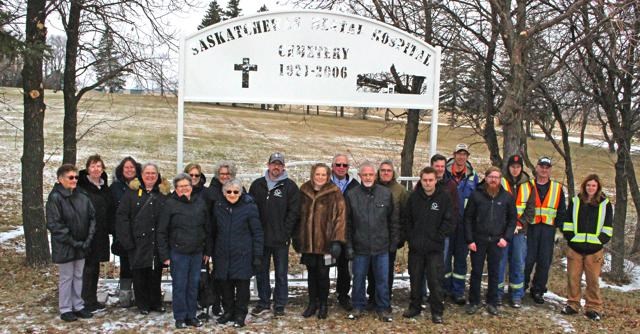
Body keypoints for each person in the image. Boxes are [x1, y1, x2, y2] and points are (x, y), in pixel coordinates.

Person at [345, 162, 399, 322]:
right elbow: (347, 223)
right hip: (360, 246)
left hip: (381, 246)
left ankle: (383, 308)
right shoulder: (352, 195)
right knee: (359, 278)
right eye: (365, 174)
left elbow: (393, 220)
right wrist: (348, 245)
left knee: (382, 279)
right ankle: (357, 306)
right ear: (360, 176)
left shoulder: (385, 194)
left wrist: (394, 241)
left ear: (375, 176)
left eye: (371, 174)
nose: (368, 177)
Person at [158, 173, 213, 329]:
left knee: (193, 285)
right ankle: (180, 316)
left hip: (197, 253)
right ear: (176, 188)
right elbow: (162, 231)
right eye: (181, 186)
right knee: (180, 286)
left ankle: (191, 315)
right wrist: (165, 255)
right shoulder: (170, 204)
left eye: (187, 186)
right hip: (178, 253)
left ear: (191, 186)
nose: (184, 189)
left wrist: (207, 250)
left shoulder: (200, 203)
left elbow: (207, 228)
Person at [249, 152, 300, 317]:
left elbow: (294, 213)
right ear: (268, 165)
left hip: (280, 239)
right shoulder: (257, 185)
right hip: (261, 238)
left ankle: (280, 304)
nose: (276, 167)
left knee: (281, 273)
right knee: (261, 271)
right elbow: (251, 210)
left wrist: (285, 233)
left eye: (279, 164)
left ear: (283, 166)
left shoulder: (290, 187)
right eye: (273, 163)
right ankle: (264, 301)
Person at [116, 163, 170, 315]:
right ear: (141, 174)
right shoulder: (131, 193)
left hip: (156, 241)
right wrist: (127, 241)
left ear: (158, 175)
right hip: (137, 242)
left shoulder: (162, 194)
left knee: (155, 273)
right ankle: (143, 303)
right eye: (147, 173)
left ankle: (156, 302)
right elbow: (122, 217)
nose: (150, 176)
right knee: (139, 274)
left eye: (153, 173)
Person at [294, 163, 346, 319]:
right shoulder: (304, 190)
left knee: (323, 274)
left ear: (328, 176)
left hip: (326, 242)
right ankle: (312, 303)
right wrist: (296, 237)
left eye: (324, 174)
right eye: (318, 174)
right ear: (312, 175)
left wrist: (337, 240)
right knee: (311, 273)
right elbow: (297, 216)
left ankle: (323, 304)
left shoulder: (334, 192)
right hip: (308, 241)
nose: (320, 177)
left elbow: (340, 218)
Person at [401, 167, 453, 324]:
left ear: (436, 180)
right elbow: (407, 220)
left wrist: (438, 237)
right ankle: (415, 307)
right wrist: (412, 238)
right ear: (421, 180)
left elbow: (449, 220)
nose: (428, 183)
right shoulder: (413, 197)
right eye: (425, 180)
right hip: (416, 248)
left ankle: (437, 311)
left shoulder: (444, 198)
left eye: (431, 180)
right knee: (415, 279)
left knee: (435, 281)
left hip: (434, 249)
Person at [46, 164, 96, 322]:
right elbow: (55, 224)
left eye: (76, 177)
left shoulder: (82, 195)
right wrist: (73, 241)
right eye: (70, 177)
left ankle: (78, 305)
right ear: (61, 179)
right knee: (66, 277)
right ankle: (65, 308)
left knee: (78, 276)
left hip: (82, 244)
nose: (74, 180)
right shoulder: (55, 198)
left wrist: (87, 239)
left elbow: (92, 217)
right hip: (65, 245)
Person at [464, 167, 516, 316]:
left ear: (500, 180)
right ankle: (474, 301)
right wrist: (469, 239)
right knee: (476, 272)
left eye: (497, 177)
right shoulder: (476, 195)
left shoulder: (506, 197)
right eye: (491, 177)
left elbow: (512, 220)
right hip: (478, 240)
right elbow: (467, 218)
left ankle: (492, 302)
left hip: (497, 241)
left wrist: (506, 238)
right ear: (486, 178)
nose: (493, 180)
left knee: (494, 272)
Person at [212, 179, 264, 328]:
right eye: (229, 192)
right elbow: (213, 231)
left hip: (243, 254)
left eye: (236, 192)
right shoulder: (218, 206)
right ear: (224, 193)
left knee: (242, 289)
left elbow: (257, 232)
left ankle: (240, 314)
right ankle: (228, 311)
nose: (232, 194)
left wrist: (257, 255)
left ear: (241, 193)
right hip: (223, 254)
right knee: (225, 287)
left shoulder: (249, 207)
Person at [561, 174, 612, 321]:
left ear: (598, 187)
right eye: (588, 185)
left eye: (594, 186)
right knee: (573, 278)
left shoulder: (605, 204)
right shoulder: (575, 201)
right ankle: (572, 304)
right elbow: (568, 222)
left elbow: (608, 226)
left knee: (593, 280)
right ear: (584, 186)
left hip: (594, 250)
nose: (591, 188)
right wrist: (571, 238)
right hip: (575, 248)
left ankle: (593, 307)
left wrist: (599, 241)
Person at [366, 160, 409, 310]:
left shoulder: (400, 190)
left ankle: (385, 299)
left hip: (391, 238)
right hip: (372, 237)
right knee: (371, 270)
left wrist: (401, 237)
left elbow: (405, 216)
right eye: (383, 170)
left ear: (393, 173)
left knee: (387, 272)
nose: (385, 173)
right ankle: (371, 297)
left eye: (388, 170)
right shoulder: (372, 187)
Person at [524, 156, 567, 304]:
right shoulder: (527, 185)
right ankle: (521, 287)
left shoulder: (557, 188)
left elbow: (562, 211)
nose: (544, 169)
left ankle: (538, 290)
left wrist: (559, 232)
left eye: (547, 167)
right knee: (527, 260)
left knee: (544, 262)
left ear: (550, 170)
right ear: (536, 168)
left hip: (548, 230)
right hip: (531, 228)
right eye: (541, 166)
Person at [77, 154, 115, 313]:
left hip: (101, 233)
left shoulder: (104, 187)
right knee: (87, 268)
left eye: (99, 166)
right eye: (93, 166)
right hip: (86, 234)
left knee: (95, 267)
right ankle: (84, 301)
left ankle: (92, 299)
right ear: (87, 169)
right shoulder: (81, 187)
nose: (96, 169)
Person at [497, 155, 535, 308]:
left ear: (521, 168)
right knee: (499, 262)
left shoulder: (528, 185)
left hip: (519, 231)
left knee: (518, 263)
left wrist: (520, 224)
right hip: (502, 231)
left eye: (518, 167)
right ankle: (497, 293)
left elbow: (531, 209)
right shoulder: (500, 182)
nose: (515, 169)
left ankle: (516, 295)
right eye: (512, 167)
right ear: (508, 168)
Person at [443, 143, 479, 305]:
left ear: (467, 157)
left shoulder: (473, 176)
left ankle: (458, 291)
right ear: (454, 154)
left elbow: (476, 201)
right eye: (459, 154)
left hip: (464, 225)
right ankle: (444, 289)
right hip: (447, 223)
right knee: (444, 258)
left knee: (460, 259)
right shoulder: (444, 173)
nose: (461, 157)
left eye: (464, 154)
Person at [110, 156, 141, 308]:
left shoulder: (141, 186)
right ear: (122, 170)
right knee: (125, 264)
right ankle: (125, 295)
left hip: (140, 233)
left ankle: (139, 293)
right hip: (122, 232)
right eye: (126, 168)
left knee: (139, 264)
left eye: (132, 167)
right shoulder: (115, 187)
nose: (129, 170)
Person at [330, 153, 360, 311]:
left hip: (347, 232)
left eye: (344, 165)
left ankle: (343, 295)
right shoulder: (325, 184)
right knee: (322, 266)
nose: (341, 168)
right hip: (327, 232)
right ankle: (320, 298)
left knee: (344, 267)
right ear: (332, 166)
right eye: (338, 165)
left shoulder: (355, 185)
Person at [430, 154, 459, 305]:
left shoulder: (451, 185)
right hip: (427, 233)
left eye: (442, 166)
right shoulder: (425, 181)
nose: (440, 169)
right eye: (437, 166)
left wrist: (447, 230)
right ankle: (424, 293)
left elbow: (454, 210)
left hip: (443, 234)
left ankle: (438, 294)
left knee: (441, 264)